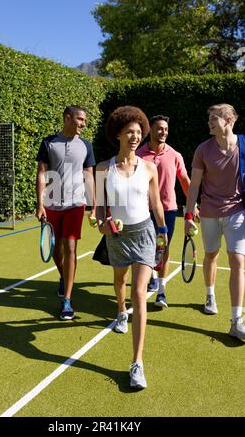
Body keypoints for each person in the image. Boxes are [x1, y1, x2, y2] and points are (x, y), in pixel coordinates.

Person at [95, 106, 167, 389]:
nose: (136, 137)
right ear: (118, 134)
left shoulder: (150, 167)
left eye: (139, 132)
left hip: (145, 234)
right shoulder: (103, 168)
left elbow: (157, 203)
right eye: (130, 132)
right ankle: (120, 312)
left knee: (140, 293)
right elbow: (100, 209)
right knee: (119, 281)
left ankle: (137, 363)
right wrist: (102, 223)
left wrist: (162, 232)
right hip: (117, 237)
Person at [185, 103, 245, 340]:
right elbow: (194, 185)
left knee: (238, 260)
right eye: (209, 119)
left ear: (229, 120)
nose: (209, 123)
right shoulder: (203, 149)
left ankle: (236, 320)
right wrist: (189, 216)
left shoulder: (243, 145)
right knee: (211, 255)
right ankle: (210, 294)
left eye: (213, 119)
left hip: (238, 212)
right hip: (209, 212)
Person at [36, 106, 96, 320]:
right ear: (67, 118)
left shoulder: (86, 145)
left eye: (84, 120)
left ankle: (67, 300)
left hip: (75, 204)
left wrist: (93, 205)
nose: (83, 123)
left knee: (70, 245)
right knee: (55, 249)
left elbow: (89, 175)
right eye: (80, 119)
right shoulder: (48, 142)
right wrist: (40, 203)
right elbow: (42, 174)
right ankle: (64, 276)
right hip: (51, 204)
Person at [137, 115, 197, 308]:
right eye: (159, 129)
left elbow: (185, 180)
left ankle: (161, 292)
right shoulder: (138, 154)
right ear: (151, 131)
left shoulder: (175, 155)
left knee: (163, 248)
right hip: (143, 211)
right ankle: (152, 276)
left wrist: (193, 204)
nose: (163, 132)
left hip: (169, 210)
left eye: (166, 129)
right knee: (146, 249)